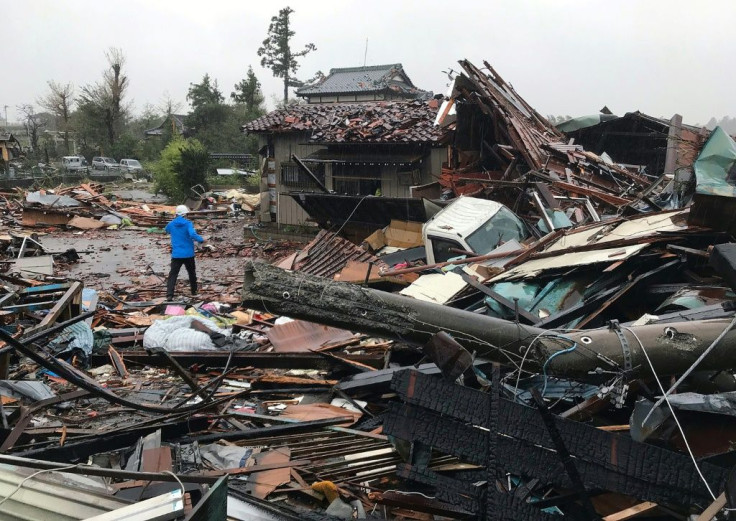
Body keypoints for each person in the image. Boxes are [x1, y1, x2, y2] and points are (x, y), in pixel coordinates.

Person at [165, 205, 204, 301]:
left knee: (173, 274)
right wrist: (201, 239)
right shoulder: (188, 223)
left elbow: (166, 230)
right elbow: (192, 234)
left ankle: (169, 295)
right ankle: (194, 291)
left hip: (176, 254)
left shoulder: (171, 224)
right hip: (188, 254)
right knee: (191, 273)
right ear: (185, 214)